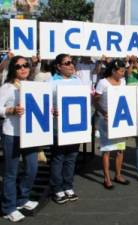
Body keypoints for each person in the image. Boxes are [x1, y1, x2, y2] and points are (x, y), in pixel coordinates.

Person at [0, 55, 39, 222]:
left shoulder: (32, 86)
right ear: (13, 69)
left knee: (32, 169)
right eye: (19, 66)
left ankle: (22, 199)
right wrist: (10, 110)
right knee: (11, 173)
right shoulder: (7, 87)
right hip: (12, 135)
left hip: (30, 134)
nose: (23, 68)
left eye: (26, 65)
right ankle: (8, 207)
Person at [49, 54, 83, 204]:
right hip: (58, 129)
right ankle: (57, 188)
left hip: (75, 128)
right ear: (58, 66)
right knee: (58, 159)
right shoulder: (51, 82)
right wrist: (52, 111)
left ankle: (68, 186)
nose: (71, 65)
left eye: (72, 62)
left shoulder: (78, 81)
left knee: (71, 158)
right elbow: (44, 104)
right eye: (67, 63)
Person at [94, 59, 130, 189]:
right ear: (114, 70)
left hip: (120, 120)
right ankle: (106, 178)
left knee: (120, 149)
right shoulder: (102, 83)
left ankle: (118, 175)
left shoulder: (123, 82)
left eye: (124, 71)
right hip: (105, 121)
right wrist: (103, 112)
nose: (123, 73)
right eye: (121, 71)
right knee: (107, 150)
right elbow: (95, 101)